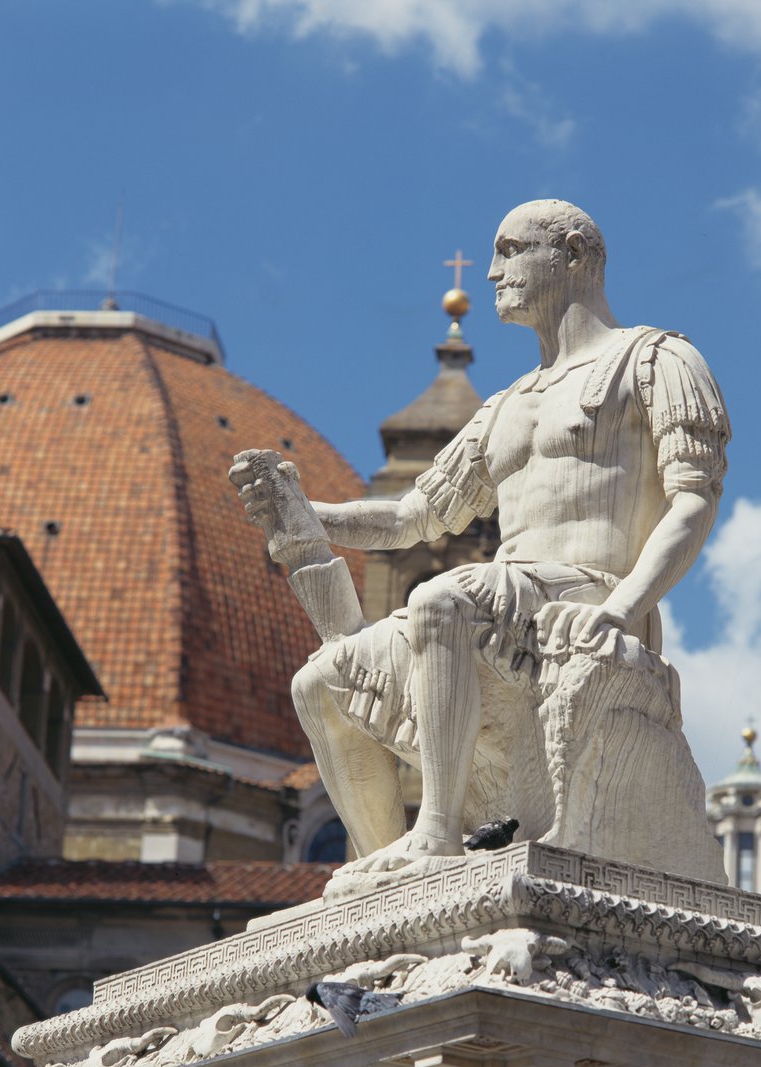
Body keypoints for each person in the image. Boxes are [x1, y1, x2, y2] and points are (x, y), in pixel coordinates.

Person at [231, 199, 730, 879]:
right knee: (320, 681)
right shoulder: (506, 406)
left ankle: (434, 831)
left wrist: (618, 612)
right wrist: (301, 513)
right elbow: (412, 517)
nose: (493, 272)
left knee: (442, 598)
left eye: (510, 249)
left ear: (574, 255)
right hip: (506, 596)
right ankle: (383, 869)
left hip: (593, 590)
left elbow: (693, 500)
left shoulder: (653, 360)